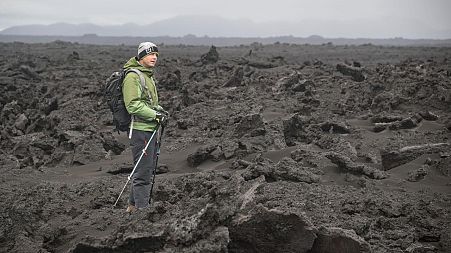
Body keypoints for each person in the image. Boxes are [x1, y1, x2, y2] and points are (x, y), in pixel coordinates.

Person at [122, 42, 167, 213]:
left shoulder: (147, 76)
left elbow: (148, 103)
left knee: (143, 169)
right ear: (141, 56)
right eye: (150, 54)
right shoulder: (133, 77)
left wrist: (160, 111)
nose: (154, 57)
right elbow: (132, 105)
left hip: (149, 129)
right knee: (143, 173)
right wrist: (155, 116)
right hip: (140, 130)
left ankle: (132, 208)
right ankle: (143, 213)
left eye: (156, 54)